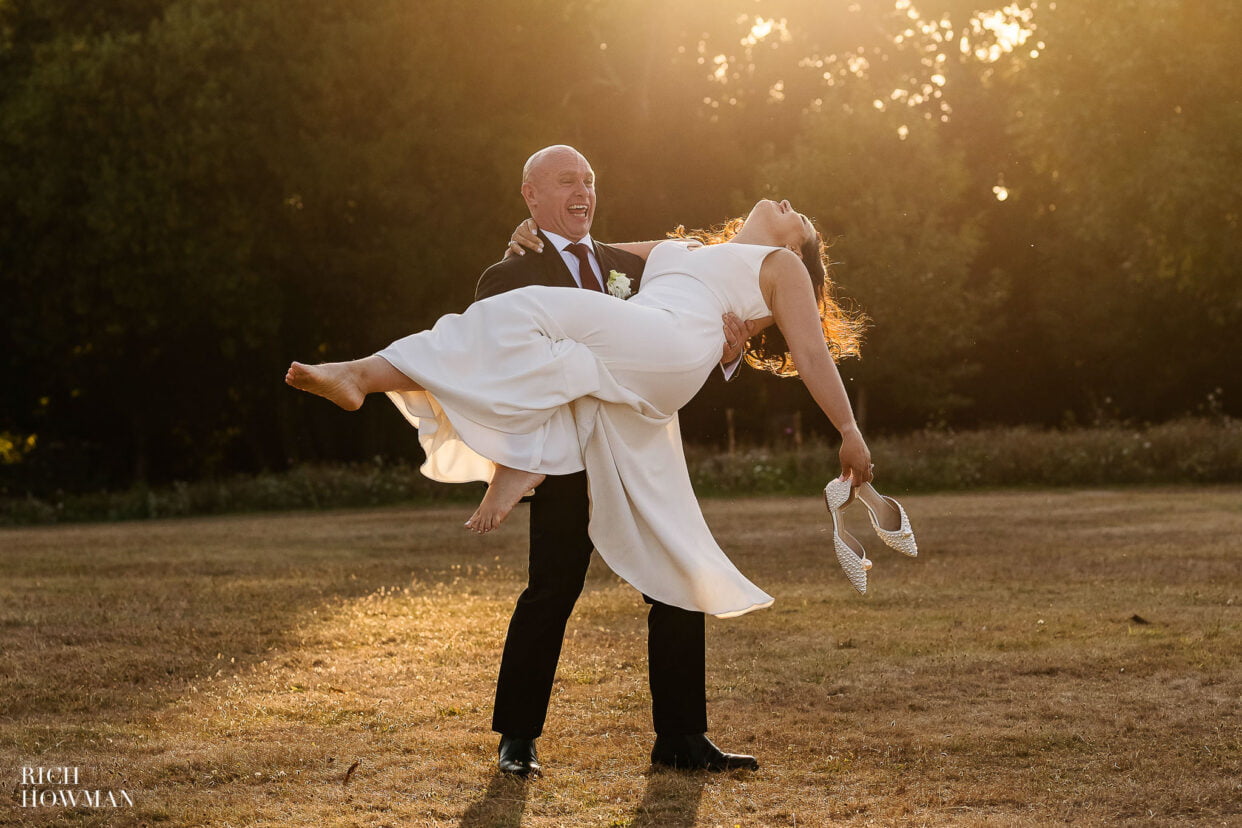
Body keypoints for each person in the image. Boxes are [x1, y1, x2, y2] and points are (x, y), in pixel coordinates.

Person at [286, 184, 873, 771]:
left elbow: (813, 354)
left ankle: (366, 378)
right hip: (618, 377)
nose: (789, 204)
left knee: (531, 310)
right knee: (643, 561)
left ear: (800, 245)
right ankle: (604, 736)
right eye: (569, 183)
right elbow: (591, 247)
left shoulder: (783, 267)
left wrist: (847, 429)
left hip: (666, 350)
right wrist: (530, 237)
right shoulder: (683, 249)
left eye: (802, 218)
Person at [466, 146, 755, 778]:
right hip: (567, 457)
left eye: (590, 181)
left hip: (638, 455)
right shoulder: (507, 278)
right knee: (552, 589)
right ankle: (518, 737)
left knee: (678, 583)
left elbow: (675, 342)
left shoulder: (631, 267)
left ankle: (680, 738)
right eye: (566, 181)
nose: (583, 191)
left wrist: (726, 351)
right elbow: (504, 373)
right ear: (530, 196)